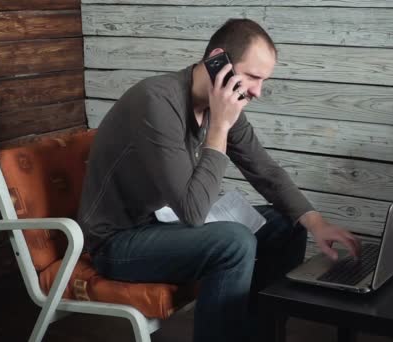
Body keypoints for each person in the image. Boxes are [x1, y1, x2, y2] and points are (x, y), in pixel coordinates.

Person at [78, 18, 360, 342]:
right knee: (234, 242)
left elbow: (264, 170)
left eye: (263, 80)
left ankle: (261, 334)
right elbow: (194, 212)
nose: (257, 91)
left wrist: (316, 222)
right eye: (253, 76)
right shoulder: (157, 101)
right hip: (118, 243)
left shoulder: (220, 105)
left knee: (290, 223)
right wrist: (220, 128)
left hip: (164, 224)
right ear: (218, 60)